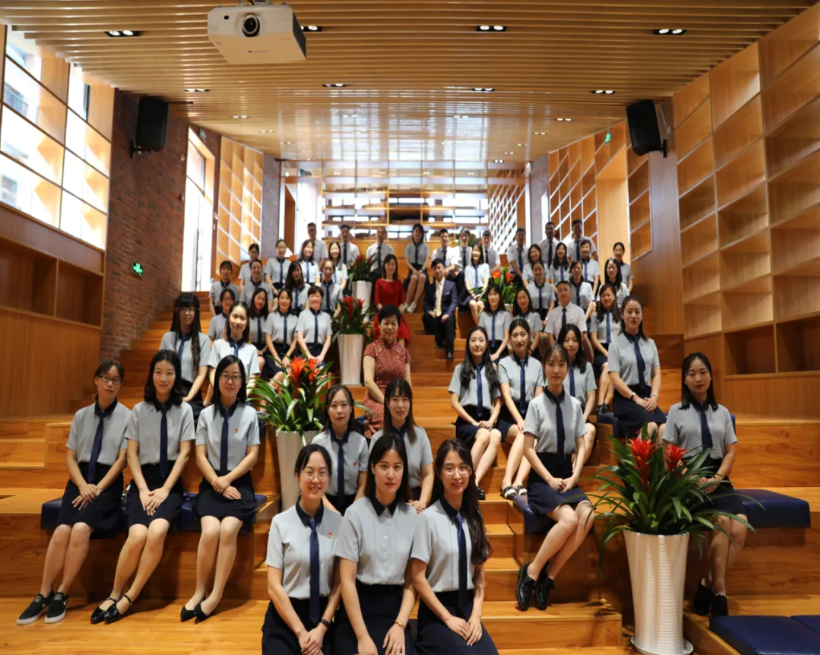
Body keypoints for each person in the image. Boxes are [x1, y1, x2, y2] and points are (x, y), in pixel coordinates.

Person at [17, 361, 130, 626]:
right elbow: (70, 457)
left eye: (115, 380)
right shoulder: (81, 416)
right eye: (105, 378)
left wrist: (97, 488)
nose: (110, 384)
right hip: (79, 481)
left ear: (120, 384)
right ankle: (43, 593)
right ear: (96, 380)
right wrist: (82, 486)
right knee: (61, 531)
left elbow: (122, 460)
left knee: (80, 529)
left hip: (107, 485)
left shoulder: (128, 416)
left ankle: (63, 592)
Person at [96, 350, 194, 623]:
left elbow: (185, 454)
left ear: (176, 376)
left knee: (157, 530)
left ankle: (130, 596)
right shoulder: (139, 410)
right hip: (142, 482)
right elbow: (132, 455)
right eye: (158, 372)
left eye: (169, 373)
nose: (163, 378)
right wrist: (141, 490)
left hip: (169, 484)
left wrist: (164, 490)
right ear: (151, 375)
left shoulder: (185, 410)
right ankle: (114, 594)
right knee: (138, 534)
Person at [665, 353, 747, 618]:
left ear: (710, 377)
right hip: (688, 477)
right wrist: (690, 476)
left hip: (717, 475)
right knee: (722, 521)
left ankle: (707, 584)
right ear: (684, 379)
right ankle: (720, 590)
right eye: (692, 373)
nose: (698, 378)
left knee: (740, 527)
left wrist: (718, 478)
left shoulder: (722, 412)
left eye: (702, 372)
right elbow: (668, 451)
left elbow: (730, 452)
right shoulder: (676, 411)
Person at [516, 344, 595, 611]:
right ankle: (531, 572)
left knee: (588, 516)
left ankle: (549, 576)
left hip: (567, 475)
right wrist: (549, 478)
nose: (556, 369)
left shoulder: (575, 405)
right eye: (551, 364)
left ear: (567, 368)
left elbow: (582, 445)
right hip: (542, 478)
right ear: (544, 368)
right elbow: (528, 449)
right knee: (569, 519)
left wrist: (575, 476)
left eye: (561, 364)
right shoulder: (536, 405)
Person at [183, 355, 260, 622]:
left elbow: (252, 456)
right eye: (225, 375)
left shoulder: (250, 415)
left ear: (242, 382)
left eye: (235, 376)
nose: (230, 381)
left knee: (228, 530)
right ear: (217, 381)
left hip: (239, 484)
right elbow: (200, 456)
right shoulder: (205, 415)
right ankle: (198, 592)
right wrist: (218, 482)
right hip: (211, 483)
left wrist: (227, 480)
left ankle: (215, 595)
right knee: (210, 531)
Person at [410, 439, 498, 655]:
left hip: (467, 608)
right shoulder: (427, 519)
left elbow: (479, 573)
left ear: (470, 471)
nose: (457, 475)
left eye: (462, 468)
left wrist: (476, 616)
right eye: (449, 469)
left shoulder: (475, 516)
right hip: (437, 612)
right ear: (439, 473)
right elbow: (418, 578)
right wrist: (448, 618)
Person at [333, 434, 418, 655]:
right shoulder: (354, 514)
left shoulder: (412, 517)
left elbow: (412, 582)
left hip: (395, 611)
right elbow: (347, 580)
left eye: (397, 467)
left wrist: (400, 625)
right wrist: (362, 637)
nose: (390, 474)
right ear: (372, 468)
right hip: (358, 610)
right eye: (384, 466)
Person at [262, 444, 343, 655]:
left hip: (324, 619)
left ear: (329, 478)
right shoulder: (280, 523)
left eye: (322, 473)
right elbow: (273, 586)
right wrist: (301, 633)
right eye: (309, 472)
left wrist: (322, 628)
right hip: (286, 617)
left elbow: (339, 583)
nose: (316, 479)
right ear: (297, 475)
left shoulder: (339, 523)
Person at [448, 326, 503, 500]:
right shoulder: (460, 369)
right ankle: (465, 478)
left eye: (481, 340)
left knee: (496, 435)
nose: (477, 344)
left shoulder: (492, 368)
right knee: (484, 435)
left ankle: (474, 482)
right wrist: (472, 422)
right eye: (473, 340)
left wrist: (492, 421)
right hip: (467, 420)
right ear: (468, 344)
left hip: (485, 419)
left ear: (486, 344)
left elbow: (497, 401)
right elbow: (454, 402)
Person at [608, 295, 666, 441]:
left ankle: (662, 458)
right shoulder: (615, 345)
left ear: (642, 315)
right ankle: (635, 457)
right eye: (629, 312)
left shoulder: (650, 343)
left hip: (646, 397)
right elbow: (614, 378)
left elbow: (657, 375)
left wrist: (654, 397)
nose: (633, 315)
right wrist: (635, 398)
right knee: (650, 426)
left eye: (637, 311)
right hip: (625, 400)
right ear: (622, 315)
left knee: (664, 429)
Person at [371, 378, 435, 512]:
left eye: (405, 400)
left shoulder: (420, 435)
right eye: (395, 399)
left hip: (414, 501)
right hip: (386, 501)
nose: (400, 405)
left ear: (410, 402)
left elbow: (428, 474)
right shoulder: (377, 438)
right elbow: (372, 476)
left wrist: (422, 502)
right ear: (387, 403)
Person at [497, 319, 544, 499]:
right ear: (509, 339)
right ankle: (506, 481)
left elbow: (538, 399)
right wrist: (519, 420)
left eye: (523, 335)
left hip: (530, 415)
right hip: (509, 417)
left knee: (533, 436)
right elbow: (506, 396)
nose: (519, 339)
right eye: (515, 335)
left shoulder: (537, 365)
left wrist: (530, 421)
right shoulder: (503, 363)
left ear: (529, 336)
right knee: (523, 434)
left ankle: (518, 482)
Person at [312, 385, 368, 515]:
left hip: (355, 504)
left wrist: (352, 513)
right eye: (334, 405)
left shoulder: (361, 442)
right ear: (327, 409)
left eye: (344, 405)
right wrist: (333, 513)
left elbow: (363, 485)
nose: (339, 411)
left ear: (351, 408)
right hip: (325, 503)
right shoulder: (318, 443)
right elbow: (316, 485)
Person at [160, 293, 211, 423]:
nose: (187, 313)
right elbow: (160, 369)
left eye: (190, 309)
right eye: (183, 309)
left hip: (191, 394)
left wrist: (188, 398)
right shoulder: (167, 338)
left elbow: (202, 374)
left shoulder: (203, 340)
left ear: (196, 312)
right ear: (177, 311)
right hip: (168, 391)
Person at [363, 305, 412, 438]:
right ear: (379, 325)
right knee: (385, 418)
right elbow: (368, 382)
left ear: (398, 326)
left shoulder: (404, 352)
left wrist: (404, 402)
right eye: (386, 323)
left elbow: (408, 384)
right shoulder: (371, 349)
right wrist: (387, 402)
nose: (390, 327)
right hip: (376, 399)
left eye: (393, 323)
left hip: (398, 399)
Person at [558, 325, 597, 464]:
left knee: (590, 429)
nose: (571, 344)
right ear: (561, 342)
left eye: (574, 340)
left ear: (579, 343)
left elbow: (591, 397)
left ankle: (573, 473)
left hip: (581, 415)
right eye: (567, 340)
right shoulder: (555, 367)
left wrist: (582, 419)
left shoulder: (587, 367)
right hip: (560, 415)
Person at [207, 302, 261, 402]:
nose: (238, 321)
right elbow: (212, 373)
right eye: (235, 316)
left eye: (242, 318)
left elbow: (252, 379)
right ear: (229, 317)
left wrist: (241, 397)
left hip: (242, 400)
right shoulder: (217, 345)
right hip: (220, 398)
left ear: (247, 322)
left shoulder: (252, 349)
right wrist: (222, 393)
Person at [590, 283, 622, 414]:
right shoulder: (595, 316)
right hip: (601, 351)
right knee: (609, 366)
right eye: (603, 295)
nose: (606, 298)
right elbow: (593, 338)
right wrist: (606, 352)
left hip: (617, 349)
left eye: (608, 295)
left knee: (614, 369)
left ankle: (604, 404)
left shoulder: (621, 315)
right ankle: (601, 403)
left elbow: (623, 336)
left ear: (614, 296)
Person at [544, 281, 593, 361]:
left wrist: (573, 346)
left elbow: (581, 333)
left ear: (571, 293)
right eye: (560, 290)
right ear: (557, 295)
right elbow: (550, 335)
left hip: (574, 347)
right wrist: (556, 350)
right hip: (558, 348)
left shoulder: (579, 311)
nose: (563, 292)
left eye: (566, 290)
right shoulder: (552, 313)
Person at [423, 259, 458, 360]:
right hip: (434, 317)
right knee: (426, 317)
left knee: (449, 319)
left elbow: (454, 301)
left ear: (443, 268)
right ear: (432, 271)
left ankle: (450, 351)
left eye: (439, 268)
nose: (437, 270)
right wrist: (429, 311)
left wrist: (448, 313)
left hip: (445, 315)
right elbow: (425, 304)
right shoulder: (429, 287)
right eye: (435, 268)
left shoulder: (451, 285)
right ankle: (438, 340)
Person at [374, 255, 411, 345]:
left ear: (396, 266)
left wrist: (397, 313)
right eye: (388, 264)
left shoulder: (398, 282)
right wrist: (386, 313)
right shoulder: (379, 282)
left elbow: (401, 303)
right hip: (383, 315)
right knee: (382, 332)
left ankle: (400, 354)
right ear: (384, 265)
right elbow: (377, 302)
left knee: (402, 333)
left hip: (396, 315)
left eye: (393, 264)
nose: (390, 267)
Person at [265, 287, 298, 382]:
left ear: (290, 301)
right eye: (282, 298)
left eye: (287, 298)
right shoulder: (271, 316)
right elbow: (268, 339)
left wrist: (287, 356)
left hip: (288, 352)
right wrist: (276, 357)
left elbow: (295, 341)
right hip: (273, 351)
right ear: (278, 300)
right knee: (279, 373)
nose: (284, 301)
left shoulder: (295, 318)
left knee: (289, 374)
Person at [296, 286, 333, 362]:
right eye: (312, 296)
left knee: (322, 369)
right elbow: (299, 337)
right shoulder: (302, 314)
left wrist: (322, 355)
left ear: (321, 298)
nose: (314, 299)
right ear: (308, 298)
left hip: (320, 353)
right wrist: (308, 355)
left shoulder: (326, 316)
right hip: (304, 352)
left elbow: (328, 339)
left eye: (317, 296)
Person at [478, 283, 510, 362]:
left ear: (499, 296)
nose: (492, 297)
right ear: (487, 297)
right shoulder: (483, 315)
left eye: (495, 294)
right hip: (486, 348)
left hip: (501, 348)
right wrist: (487, 353)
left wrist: (497, 354)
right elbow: (481, 336)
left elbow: (506, 338)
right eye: (490, 294)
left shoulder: (505, 314)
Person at [248, 287, 273, 379]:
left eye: (263, 299)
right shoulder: (247, 315)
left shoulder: (268, 317)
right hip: (249, 346)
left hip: (265, 349)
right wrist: (254, 349)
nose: (260, 301)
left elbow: (270, 338)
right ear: (253, 298)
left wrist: (262, 351)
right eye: (258, 298)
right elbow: (245, 335)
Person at [405, 222, 430, 312]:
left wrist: (422, 269)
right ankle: (406, 303)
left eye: (420, 231)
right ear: (413, 233)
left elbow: (427, 260)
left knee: (422, 276)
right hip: (412, 268)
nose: (418, 233)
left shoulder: (425, 246)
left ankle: (414, 303)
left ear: (422, 234)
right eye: (416, 231)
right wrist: (413, 270)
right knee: (414, 278)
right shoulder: (408, 246)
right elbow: (407, 262)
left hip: (422, 268)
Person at [463, 245, 490, 324]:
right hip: (471, 294)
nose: (475, 253)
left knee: (480, 304)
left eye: (478, 251)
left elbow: (486, 283)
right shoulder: (467, 268)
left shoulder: (485, 266)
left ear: (481, 253)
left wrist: (481, 294)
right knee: (473, 304)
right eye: (474, 250)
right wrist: (473, 294)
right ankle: (480, 327)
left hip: (482, 293)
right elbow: (467, 285)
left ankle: (481, 327)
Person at [512, 287, 542, 357]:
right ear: (517, 301)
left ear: (528, 298)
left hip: (532, 349)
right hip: (519, 348)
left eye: (524, 297)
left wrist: (531, 350)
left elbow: (537, 337)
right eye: (519, 298)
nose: (522, 300)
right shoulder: (515, 317)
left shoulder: (536, 315)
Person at [452, 229, 473, 298]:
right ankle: (460, 298)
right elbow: (452, 265)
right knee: (461, 274)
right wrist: (455, 272)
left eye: (466, 236)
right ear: (459, 238)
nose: (464, 238)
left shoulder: (472, 250)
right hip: (458, 276)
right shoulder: (454, 250)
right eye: (462, 236)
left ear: (468, 238)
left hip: (469, 276)